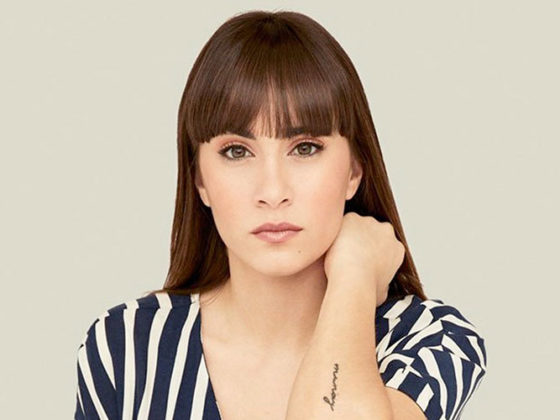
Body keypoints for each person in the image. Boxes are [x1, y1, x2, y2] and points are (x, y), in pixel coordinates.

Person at [74, 10, 487, 420]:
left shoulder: (431, 340)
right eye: (237, 151)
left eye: (305, 148)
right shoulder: (126, 347)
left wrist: (354, 275)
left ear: (354, 170)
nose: (272, 192)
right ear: (199, 179)